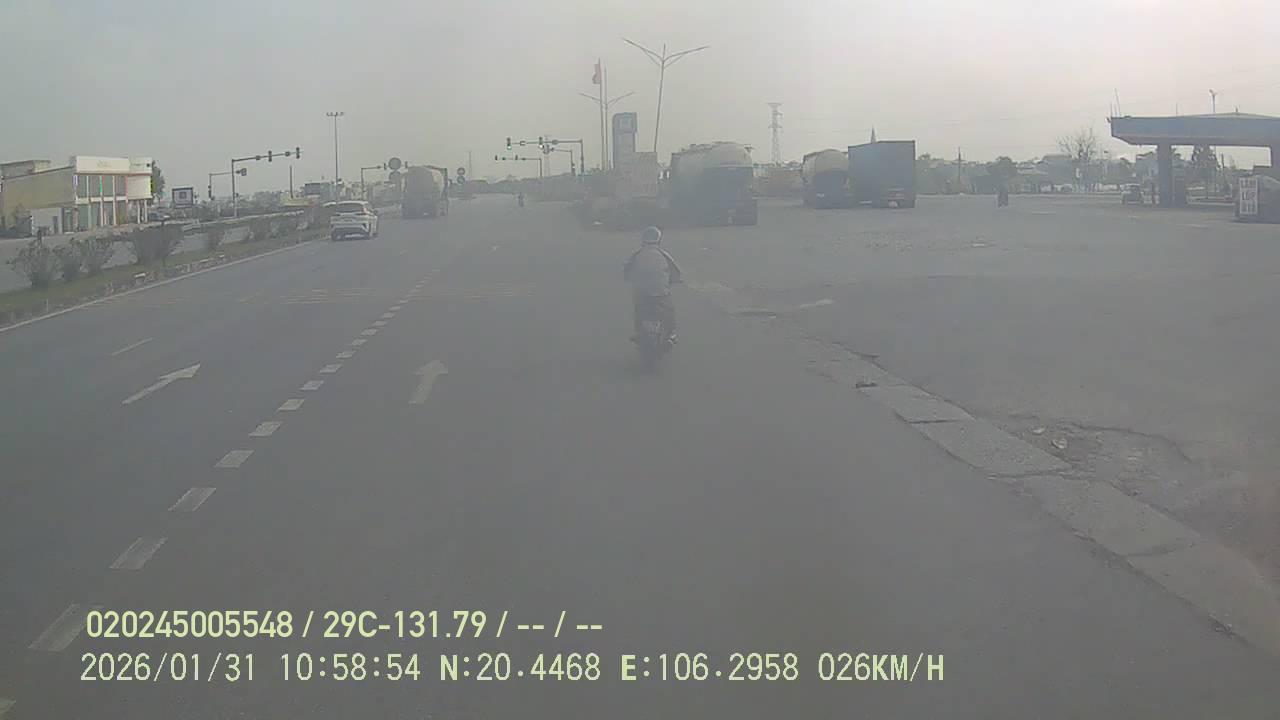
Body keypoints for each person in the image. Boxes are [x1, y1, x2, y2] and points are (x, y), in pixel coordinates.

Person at [623, 226, 682, 343]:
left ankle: (638, 332)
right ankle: (671, 334)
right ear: (659, 240)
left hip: (642, 293)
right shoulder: (663, 254)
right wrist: (675, 280)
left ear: (643, 240)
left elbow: (627, 271)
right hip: (661, 292)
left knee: (639, 311)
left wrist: (630, 278)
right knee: (669, 311)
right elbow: (676, 271)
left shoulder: (636, 255)